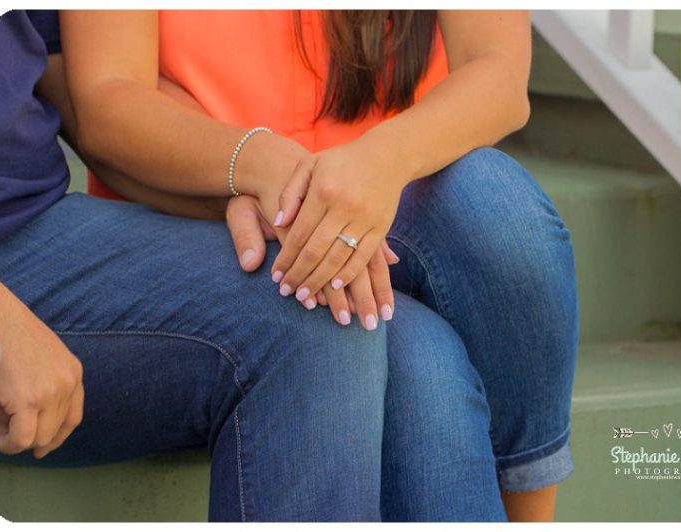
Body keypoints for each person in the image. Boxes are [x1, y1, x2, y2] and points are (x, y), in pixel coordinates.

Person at [55, 10, 579, 521]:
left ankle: (530, 511)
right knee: (421, 362)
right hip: (219, 212)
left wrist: (382, 162)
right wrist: (270, 181)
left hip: (394, 198)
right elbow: (111, 97)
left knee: (498, 206)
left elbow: (498, 71)